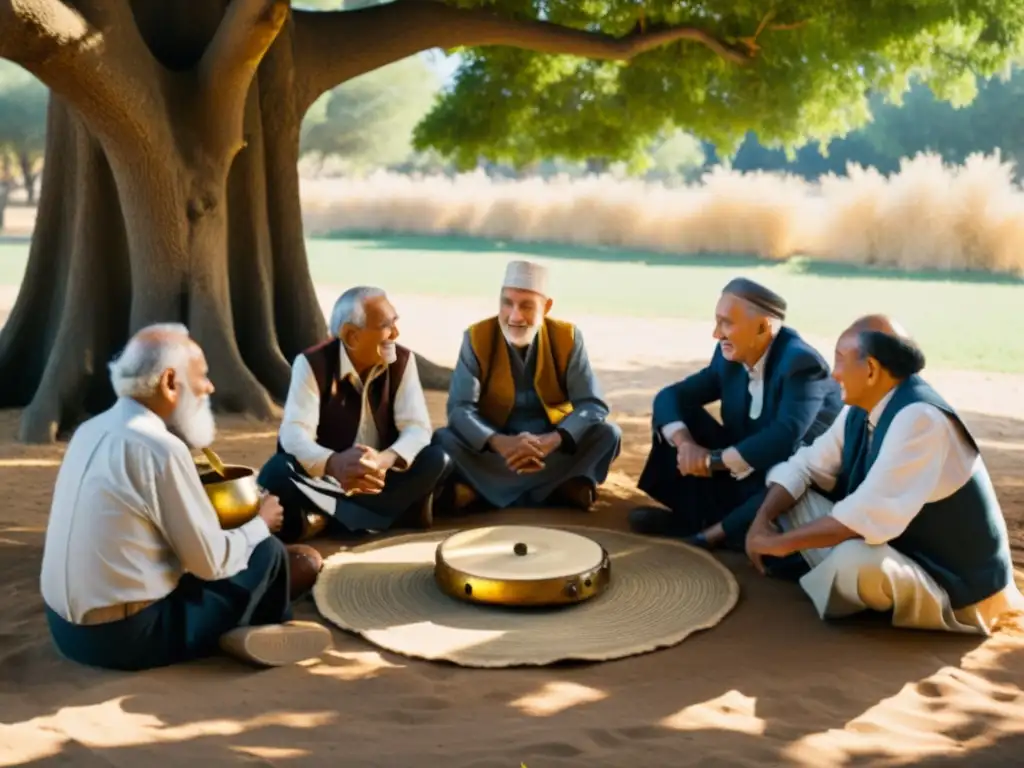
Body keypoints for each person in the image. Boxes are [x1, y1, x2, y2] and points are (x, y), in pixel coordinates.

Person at [39, 324, 331, 671]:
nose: (209, 387)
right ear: (169, 383)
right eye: (202, 376)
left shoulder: (90, 430)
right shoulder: (161, 448)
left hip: (64, 630)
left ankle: (247, 623)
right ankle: (255, 630)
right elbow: (209, 563)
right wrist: (260, 523)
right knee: (266, 553)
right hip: (124, 639)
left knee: (268, 557)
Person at [745, 315, 1024, 634]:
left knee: (853, 559)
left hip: (954, 584)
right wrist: (762, 520)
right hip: (894, 548)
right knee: (791, 494)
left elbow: (859, 518)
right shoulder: (859, 409)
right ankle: (832, 581)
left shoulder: (921, 419)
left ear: (872, 369)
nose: (834, 374)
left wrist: (779, 544)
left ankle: (834, 582)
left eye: (839, 360)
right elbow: (805, 465)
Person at [629, 277, 843, 546]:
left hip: (787, 483)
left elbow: (784, 437)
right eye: (717, 322)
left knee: (785, 472)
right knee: (678, 415)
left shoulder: (801, 364)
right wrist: (686, 446)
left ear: (762, 327)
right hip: (742, 470)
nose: (716, 334)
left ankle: (713, 535)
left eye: (726, 323)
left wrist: (711, 461)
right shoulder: (728, 355)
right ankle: (692, 520)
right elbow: (670, 397)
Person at [258, 286, 452, 542]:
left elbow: (416, 427)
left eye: (395, 322)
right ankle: (397, 514)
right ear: (351, 336)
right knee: (277, 471)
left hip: (381, 480)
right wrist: (334, 463)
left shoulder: (402, 361)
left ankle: (328, 518)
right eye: (385, 325)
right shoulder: (312, 364)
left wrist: (383, 461)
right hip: (329, 480)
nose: (396, 333)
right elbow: (294, 434)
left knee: (439, 457)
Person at [433, 260, 621, 512]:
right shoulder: (476, 337)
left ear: (547, 307)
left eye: (526, 306)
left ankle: (480, 492)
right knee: (443, 439)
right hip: (496, 448)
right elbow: (460, 409)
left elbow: (592, 404)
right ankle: (557, 489)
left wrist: (553, 440)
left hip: (550, 446)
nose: (514, 316)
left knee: (608, 434)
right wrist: (501, 442)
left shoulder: (568, 337)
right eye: (507, 303)